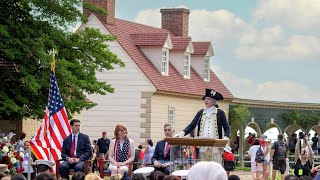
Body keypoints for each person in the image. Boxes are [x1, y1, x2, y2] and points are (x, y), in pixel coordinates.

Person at [174, 88, 230, 163]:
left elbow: (227, 128)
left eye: (208, 99)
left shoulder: (220, 113)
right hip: (202, 146)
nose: (206, 101)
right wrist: (182, 133)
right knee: (203, 167)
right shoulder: (201, 113)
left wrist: (226, 137)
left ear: (213, 101)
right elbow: (192, 125)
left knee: (215, 168)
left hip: (215, 146)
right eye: (205, 99)